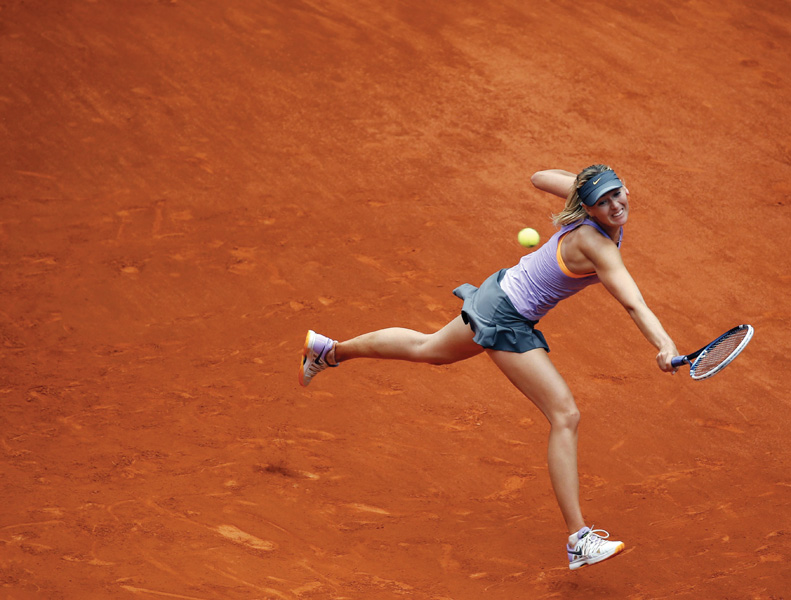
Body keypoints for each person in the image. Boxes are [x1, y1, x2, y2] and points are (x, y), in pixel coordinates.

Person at [298, 164, 679, 570]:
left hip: (498, 293)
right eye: (602, 203)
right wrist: (664, 343)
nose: (614, 206)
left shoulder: (590, 203)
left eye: (616, 194)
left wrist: (583, 187)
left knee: (428, 348)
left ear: (625, 187)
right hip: (507, 317)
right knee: (564, 414)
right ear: (588, 208)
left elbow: (538, 177)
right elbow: (633, 303)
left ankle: (330, 351)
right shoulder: (597, 245)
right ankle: (578, 539)